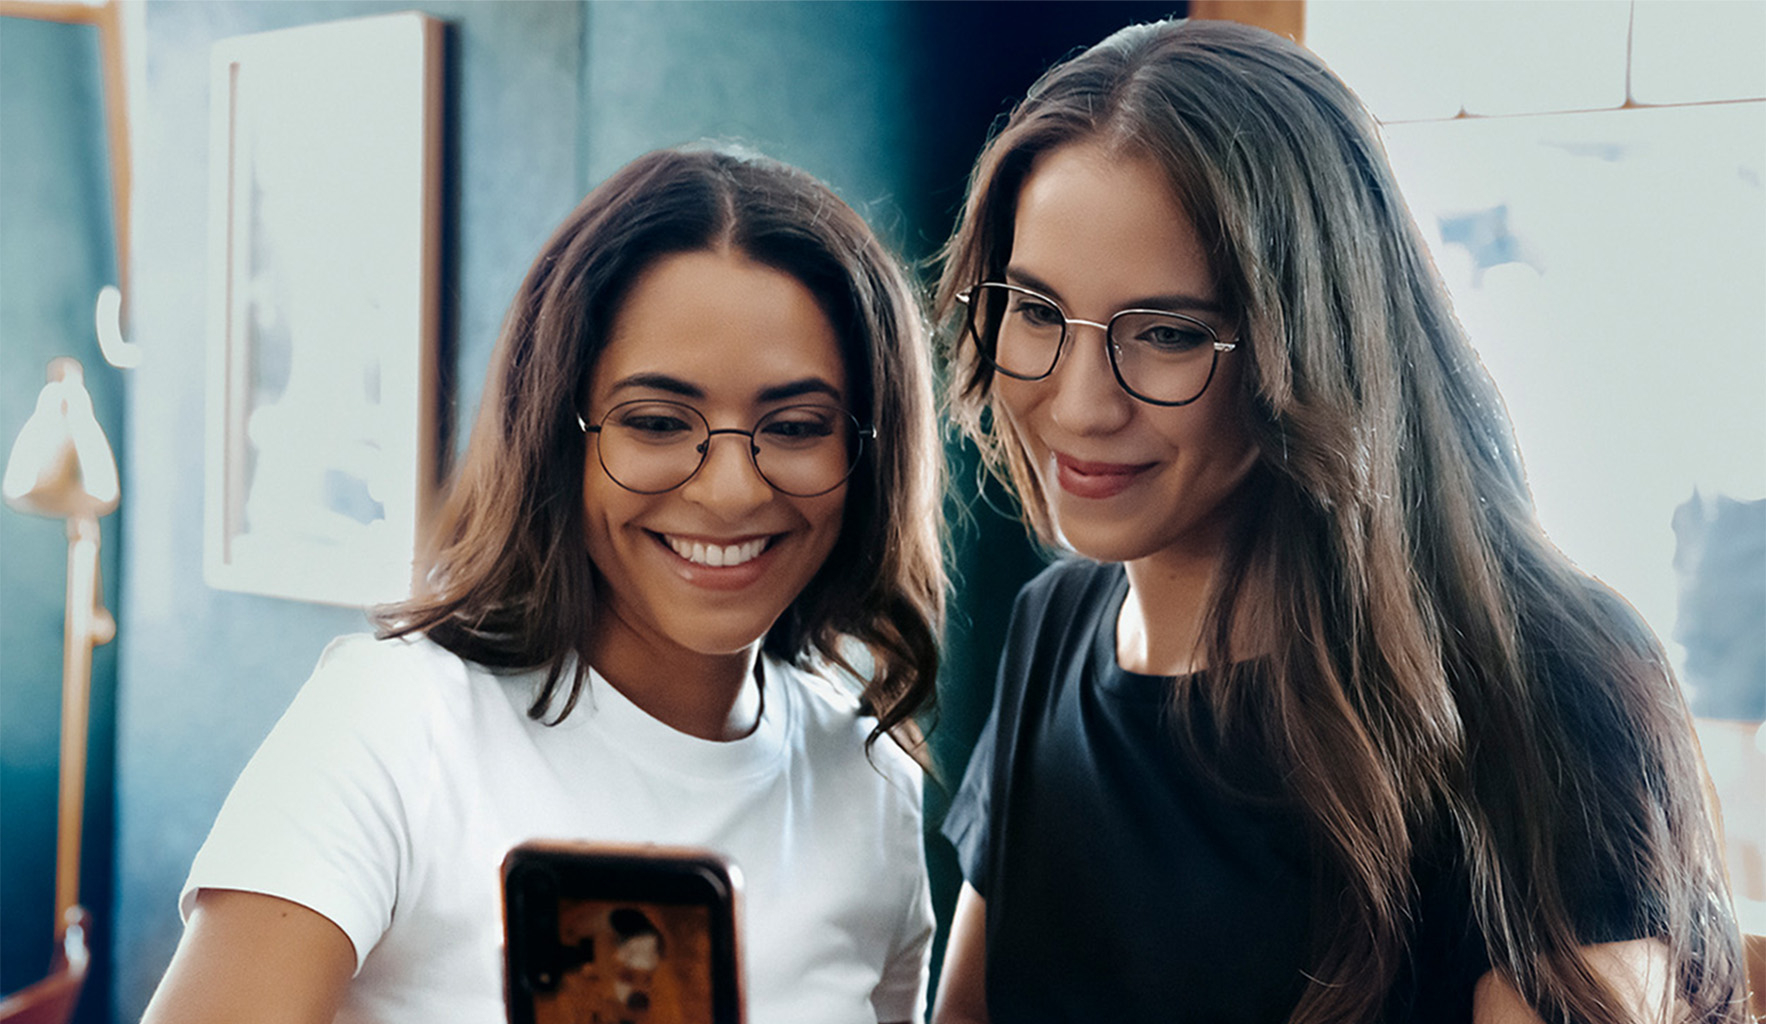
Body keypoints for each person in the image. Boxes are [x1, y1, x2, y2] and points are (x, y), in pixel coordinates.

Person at [930, 19, 1746, 1024]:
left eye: (1169, 334)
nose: (1080, 402)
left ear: (1308, 343)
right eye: (1036, 312)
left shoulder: (1540, 679)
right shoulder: (1049, 628)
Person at [142, 146, 945, 1024]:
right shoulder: (394, 726)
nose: (731, 490)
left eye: (794, 425)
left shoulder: (870, 782)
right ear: (560, 431)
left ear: (867, 448)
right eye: (656, 422)